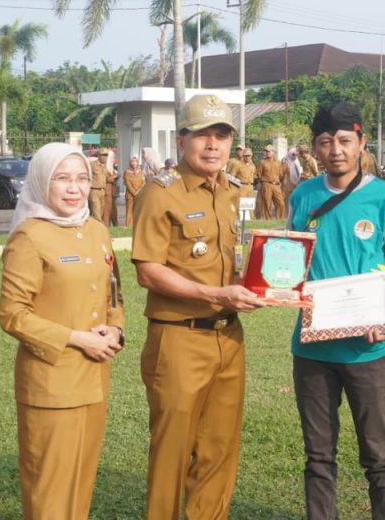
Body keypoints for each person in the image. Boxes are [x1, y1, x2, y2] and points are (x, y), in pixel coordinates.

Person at [131, 94, 266, 520]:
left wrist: (261, 285)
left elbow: (239, 259)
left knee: (219, 450)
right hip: (179, 337)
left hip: (228, 336)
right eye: (202, 135)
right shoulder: (160, 193)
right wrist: (217, 295)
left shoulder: (234, 192)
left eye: (221, 136)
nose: (212, 145)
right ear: (181, 141)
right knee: (172, 451)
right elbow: (148, 271)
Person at [288, 102, 385, 520]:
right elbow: (288, 263)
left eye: (345, 141)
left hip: (367, 351)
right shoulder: (303, 195)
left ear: (362, 143)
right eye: (326, 142)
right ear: (315, 147)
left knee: (378, 455)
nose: (336, 150)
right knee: (318, 456)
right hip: (313, 350)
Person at [0, 143, 125, 519]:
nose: (74, 188)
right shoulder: (29, 236)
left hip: (94, 380)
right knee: (49, 494)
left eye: (82, 179)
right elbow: (12, 314)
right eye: (62, 179)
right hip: (51, 384)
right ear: (42, 181)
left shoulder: (97, 230)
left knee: (80, 487)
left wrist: (115, 330)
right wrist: (76, 338)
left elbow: (113, 294)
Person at [256, 144, 284, 219]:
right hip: (266, 184)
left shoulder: (278, 162)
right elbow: (258, 175)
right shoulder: (262, 162)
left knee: (281, 203)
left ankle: (279, 219)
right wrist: (260, 184)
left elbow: (281, 174)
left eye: (269, 151)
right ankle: (267, 220)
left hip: (276, 185)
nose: (267, 153)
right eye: (266, 151)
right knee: (267, 203)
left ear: (273, 152)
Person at [124, 155, 146, 226]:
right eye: (132, 162)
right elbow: (127, 183)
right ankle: (128, 225)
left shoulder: (141, 172)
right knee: (129, 210)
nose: (134, 163)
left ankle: (137, 224)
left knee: (138, 210)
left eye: (135, 162)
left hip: (139, 194)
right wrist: (134, 192)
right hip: (130, 195)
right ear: (130, 163)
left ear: (138, 163)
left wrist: (138, 191)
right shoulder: (126, 172)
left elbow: (143, 183)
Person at [89, 150, 108, 223]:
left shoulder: (104, 166)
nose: (105, 157)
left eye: (106, 155)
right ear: (99, 156)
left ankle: (95, 224)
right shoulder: (92, 164)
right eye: (103, 155)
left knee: (101, 209)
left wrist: (114, 177)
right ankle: (100, 225)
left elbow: (106, 177)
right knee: (96, 208)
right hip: (94, 190)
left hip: (102, 191)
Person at [103, 150, 120, 226]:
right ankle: (106, 224)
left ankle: (115, 224)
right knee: (106, 209)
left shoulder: (113, 167)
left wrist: (116, 176)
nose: (113, 159)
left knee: (113, 209)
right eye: (112, 157)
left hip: (113, 191)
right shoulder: (103, 167)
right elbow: (103, 179)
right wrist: (113, 177)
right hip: (106, 191)